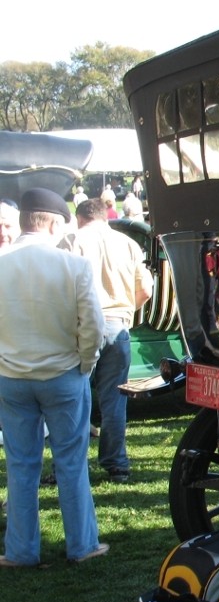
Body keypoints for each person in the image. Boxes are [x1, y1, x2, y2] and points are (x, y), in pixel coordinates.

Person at [0, 188, 106, 567]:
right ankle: (82, 545)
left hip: (11, 376)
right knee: (71, 462)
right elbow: (93, 325)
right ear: (53, 222)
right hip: (63, 374)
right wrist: (85, 363)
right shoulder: (73, 265)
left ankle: (20, 551)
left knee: (21, 464)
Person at [62, 198, 153, 482]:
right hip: (118, 325)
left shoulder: (72, 240)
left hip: (82, 325)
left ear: (80, 218)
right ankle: (116, 464)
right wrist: (127, 311)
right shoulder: (128, 244)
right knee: (115, 399)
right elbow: (147, 290)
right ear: (106, 217)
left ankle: (71, 464)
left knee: (74, 397)